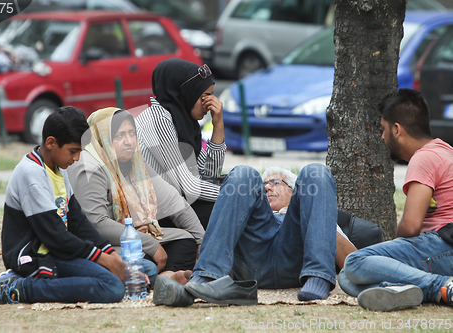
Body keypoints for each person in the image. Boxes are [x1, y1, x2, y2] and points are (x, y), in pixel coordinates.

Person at [0, 106, 158, 306]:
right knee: (112, 287)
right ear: (51, 143)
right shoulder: (31, 173)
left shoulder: (59, 170)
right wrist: (107, 261)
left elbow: (78, 222)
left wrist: (111, 254)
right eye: (73, 151)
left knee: (147, 269)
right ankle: (18, 288)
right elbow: (55, 237)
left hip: (62, 252)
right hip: (38, 256)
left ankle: (74, 280)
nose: (76, 158)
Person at [153, 162, 346, 306]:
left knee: (316, 171)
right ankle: (207, 278)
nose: (268, 187)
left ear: (296, 191)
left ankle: (318, 277)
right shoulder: (250, 214)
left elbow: (350, 261)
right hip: (254, 260)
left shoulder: (313, 211)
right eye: (264, 185)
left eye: (276, 182)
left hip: (297, 261)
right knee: (243, 173)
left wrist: (322, 226)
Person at [339, 89, 453, 311]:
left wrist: (392, 252)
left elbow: (411, 226)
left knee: (353, 262)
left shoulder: (424, 157)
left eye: (383, 129)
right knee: (346, 276)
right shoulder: (446, 151)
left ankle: (442, 286)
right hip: (441, 253)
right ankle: (405, 290)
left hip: (443, 246)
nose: (382, 136)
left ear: (397, 129)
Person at [67, 108, 205, 285]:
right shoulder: (89, 166)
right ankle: (160, 278)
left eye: (132, 133)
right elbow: (97, 223)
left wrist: (203, 242)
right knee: (146, 266)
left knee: (186, 240)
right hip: (102, 245)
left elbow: (175, 203)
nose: (129, 142)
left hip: (135, 239)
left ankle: (167, 278)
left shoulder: (135, 162)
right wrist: (150, 244)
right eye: (119, 136)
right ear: (101, 137)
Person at [135, 58, 226, 229]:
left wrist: (218, 126)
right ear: (185, 92)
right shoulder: (157, 119)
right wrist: (234, 195)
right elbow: (189, 187)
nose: (209, 104)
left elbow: (209, 177)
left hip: (182, 206)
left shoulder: (185, 123)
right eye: (205, 97)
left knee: (240, 178)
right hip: (159, 215)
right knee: (234, 202)